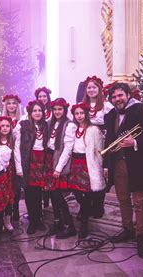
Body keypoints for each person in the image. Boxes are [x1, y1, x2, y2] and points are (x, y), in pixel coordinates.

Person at [103, 82, 143, 259]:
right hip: (118, 163)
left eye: (120, 95)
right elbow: (109, 142)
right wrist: (106, 165)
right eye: (113, 97)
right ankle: (127, 229)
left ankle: (141, 238)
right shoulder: (111, 115)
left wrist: (135, 142)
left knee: (139, 202)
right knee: (122, 199)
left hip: (138, 164)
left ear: (128, 94)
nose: (117, 99)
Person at [68, 103, 105, 239]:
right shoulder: (72, 128)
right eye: (76, 114)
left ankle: (84, 225)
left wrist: (99, 167)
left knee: (86, 194)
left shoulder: (93, 129)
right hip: (75, 163)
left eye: (81, 113)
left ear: (86, 114)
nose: (79, 116)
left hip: (88, 164)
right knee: (77, 192)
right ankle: (86, 209)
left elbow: (99, 150)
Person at [14, 100, 49, 234]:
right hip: (28, 160)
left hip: (42, 161)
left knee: (39, 191)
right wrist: (19, 167)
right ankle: (32, 221)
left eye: (39, 110)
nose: (37, 113)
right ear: (30, 112)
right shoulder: (22, 125)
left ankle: (39, 219)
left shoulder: (46, 126)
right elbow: (17, 148)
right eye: (34, 110)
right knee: (29, 192)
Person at [45, 98, 77, 238]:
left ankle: (69, 226)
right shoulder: (51, 123)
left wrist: (58, 168)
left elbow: (68, 149)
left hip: (59, 161)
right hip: (49, 159)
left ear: (64, 110)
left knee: (58, 195)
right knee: (52, 194)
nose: (57, 112)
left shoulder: (69, 125)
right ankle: (58, 222)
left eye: (60, 109)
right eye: (55, 109)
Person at [0, 116, 17, 231]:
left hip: (10, 172)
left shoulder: (13, 140)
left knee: (10, 196)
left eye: (7, 126)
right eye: (2, 126)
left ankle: (8, 220)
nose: (4, 128)